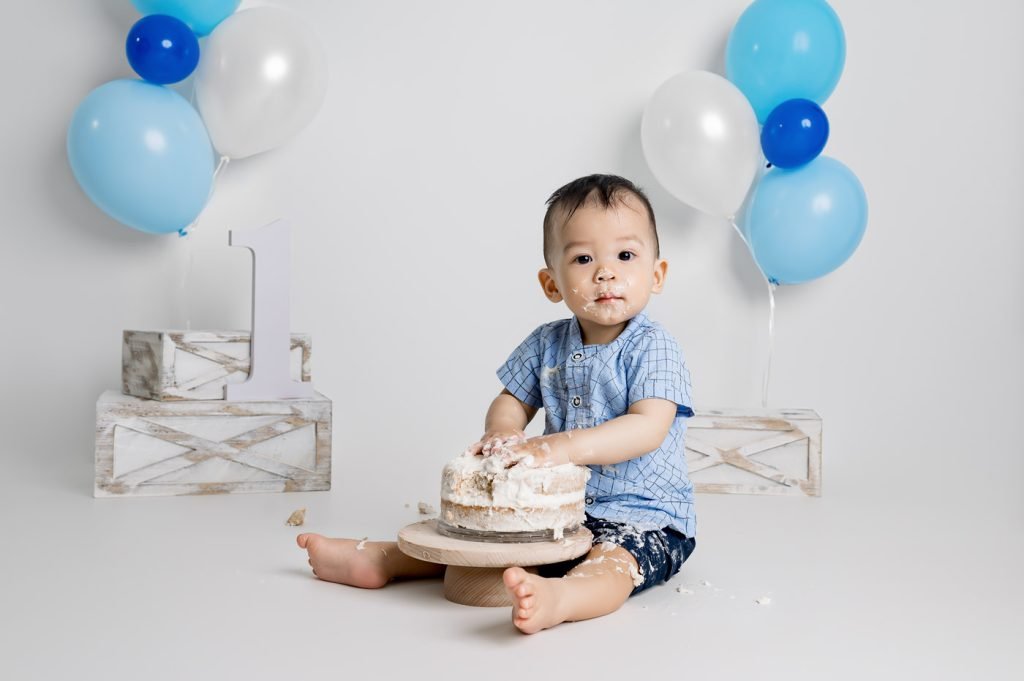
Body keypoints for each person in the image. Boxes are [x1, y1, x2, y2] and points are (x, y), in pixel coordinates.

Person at [297, 174, 696, 634]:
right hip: (562, 511)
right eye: (584, 258)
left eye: (625, 256)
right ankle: (383, 559)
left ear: (656, 274)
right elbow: (511, 399)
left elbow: (647, 426)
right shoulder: (547, 343)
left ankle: (564, 597)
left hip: (644, 515)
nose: (605, 272)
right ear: (552, 283)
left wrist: (558, 448)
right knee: (486, 547)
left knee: (613, 563)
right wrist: (504, 430)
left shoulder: (653, 348)